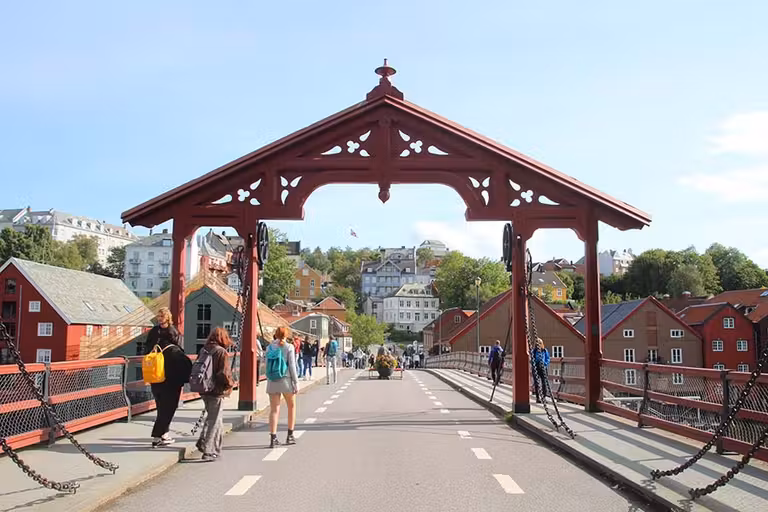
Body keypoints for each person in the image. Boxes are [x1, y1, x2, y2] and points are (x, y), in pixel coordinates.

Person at [145, 307, 191, 448]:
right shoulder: (174, 335)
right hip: (170, 378)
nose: (159, 318)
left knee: (162, 407)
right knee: (168, 407)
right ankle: (158, 436)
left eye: (161, 315)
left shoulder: (153, 333)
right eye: (158, 315)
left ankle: (164, 433)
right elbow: (181, 355)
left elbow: (147, 350)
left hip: (156, 375)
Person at [196, 327, 234, 461]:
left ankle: (204, 442)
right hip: (216, 390)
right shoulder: (221, 352)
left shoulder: (204, 349)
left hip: (204, 388)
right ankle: (209, 450)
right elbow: (224, 373)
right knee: (215, 420)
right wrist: (230, 384)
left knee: (212, 417)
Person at [266, 326, 300, 448]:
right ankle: (290, 435)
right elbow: (292, 366)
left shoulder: (269, 347)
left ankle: (273, 437)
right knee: (291, 406)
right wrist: (296, 383)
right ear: (286, 335)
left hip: (272, 380)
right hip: (286, 380)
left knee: (274, 410)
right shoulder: (289, 347)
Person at [531, 337, 551, 403]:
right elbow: (532, 359)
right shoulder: (534, 351)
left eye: (539, 343)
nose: (538, 345)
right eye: (537, 343)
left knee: (544, 383)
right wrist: (535, 363)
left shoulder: (545, 351)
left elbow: (548, 359)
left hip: (543, 368)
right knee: (537, 383)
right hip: (536, 367)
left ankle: (544, 397)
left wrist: (544, 364)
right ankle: (537, 397)